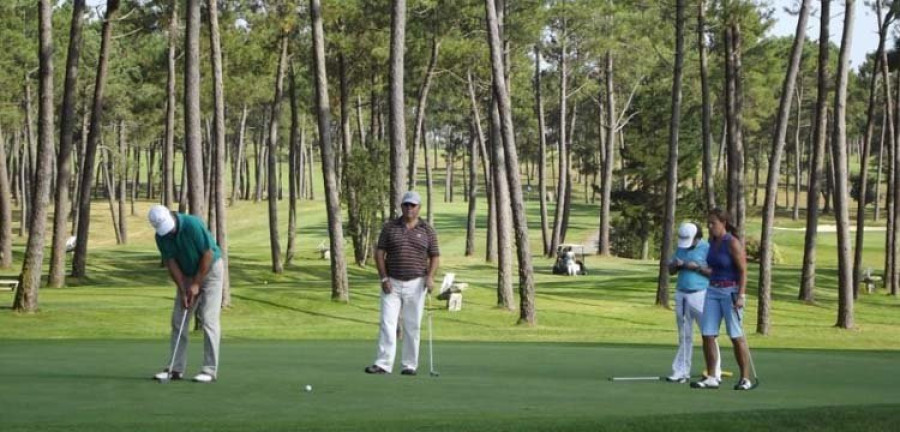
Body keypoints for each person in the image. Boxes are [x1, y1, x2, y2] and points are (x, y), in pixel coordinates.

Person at [365, 191, 440, 375]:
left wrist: (430, 277)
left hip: (416, 283)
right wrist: (383, 277)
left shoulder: (427, 230)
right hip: (392, 282)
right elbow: (380, 253)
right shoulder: (390, 227)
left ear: (419, 208)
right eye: (406, 205)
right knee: (387, 323)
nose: (409, 208)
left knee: (412, 325)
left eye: (413, 205)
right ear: (401, 206)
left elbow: (435, 256)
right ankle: (383, 363)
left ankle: (409, 365)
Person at [148, 205, 223, 383]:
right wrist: (183, 289)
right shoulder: (161, 237)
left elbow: (208, 254)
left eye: (169, 227)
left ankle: (209, 370)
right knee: (178, 319)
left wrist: (196, 283)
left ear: (171, 215)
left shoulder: (192, 224)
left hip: (211, 270)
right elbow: (171, 262)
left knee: (208, 318)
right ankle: (175, 368)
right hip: (187, 274)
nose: (169, 232)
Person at [691, 208, 753, 390]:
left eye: (713, 223)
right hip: (712, 291)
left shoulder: (732, 243)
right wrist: (699, 269)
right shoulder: (712, 242)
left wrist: (741, 295)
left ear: (723, 223)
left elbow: (743, 271)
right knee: (708, 334)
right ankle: (711, 377)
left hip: (731, 292)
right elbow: (714, 269)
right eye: (708, 223)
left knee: (735, 335)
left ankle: (745, 378)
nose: (710, 227)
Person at [666, 222, 720, 383]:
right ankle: (681, 371)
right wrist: (674, 266)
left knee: (709, 334)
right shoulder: (681, 247)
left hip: (701, 294)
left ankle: (714, 372)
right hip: (681, 293)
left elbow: (714, 273)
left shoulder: (707, 248)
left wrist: (695, 267)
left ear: (697, 237)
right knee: (684, 335)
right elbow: (670, 271)